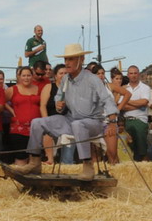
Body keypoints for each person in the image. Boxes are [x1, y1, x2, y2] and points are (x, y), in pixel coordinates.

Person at [14, 43, 117, 180]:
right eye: (66, 59)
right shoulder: (66, 80)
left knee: (78, 125)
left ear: (81, 60)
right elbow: (58, 98)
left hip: (92, 122)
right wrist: (59, 105)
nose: (67, 63)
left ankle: (87, 166)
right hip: (71, 119)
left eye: (71, 59)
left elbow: (107, 99)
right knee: (37, 122)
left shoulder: (92, 79)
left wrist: (112, 122)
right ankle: (35, 162)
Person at [5, 66, 50, 166]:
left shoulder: (38, 89)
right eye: (24, 75)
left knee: (34, 158)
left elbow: (43, 104)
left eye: (28, 75)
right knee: (21, 157)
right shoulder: (13, 89)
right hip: (18, 129)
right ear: (19, 77)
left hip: (35, 129)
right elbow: (1, 101)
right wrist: (11, 110)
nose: (26, 78)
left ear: (32, 76)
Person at [121, 65, 150, 162]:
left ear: (139, 74)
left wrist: (127, 100)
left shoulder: (145, 88)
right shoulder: (123, 88)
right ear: (128, 75)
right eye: (131, 73)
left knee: (141, 150)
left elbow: (144, 102)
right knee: (127, 149)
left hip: (140, 120)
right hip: (125, 121)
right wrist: (138, 104)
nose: (133, 75)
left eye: (135, 73)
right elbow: (121, 106)